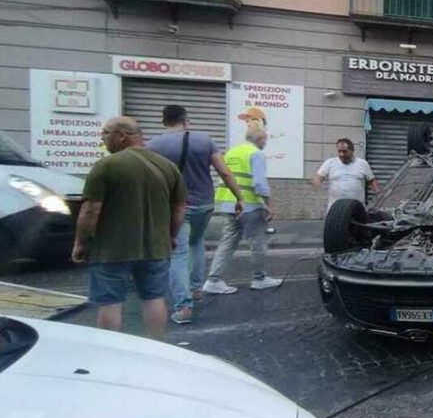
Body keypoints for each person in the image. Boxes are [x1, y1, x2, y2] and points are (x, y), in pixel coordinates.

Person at [72, 117, 185, 339]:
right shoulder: (168, 167)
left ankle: (111, 349)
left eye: (105, 133)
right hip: (156, 247)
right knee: (154, 298)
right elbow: (179, 208)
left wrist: (80, 242)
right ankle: (155, 345)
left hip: (112, 249)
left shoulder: (106, 166)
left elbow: (91, 209)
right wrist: (171, 236)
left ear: (122, 135)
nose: (103, 138)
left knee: (110, 302)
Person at [147, 105, 244, 325]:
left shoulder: (154, 145)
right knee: (197, 242)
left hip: (175, 207)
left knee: (177, 253)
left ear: (164, 121)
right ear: (185, 120)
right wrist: (239, 197)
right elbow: (224, 171)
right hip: (204, 204)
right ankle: (196, 288)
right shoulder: (205, 141)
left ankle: (183, 307)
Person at [202, 127, 282, 293]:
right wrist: (269, 205)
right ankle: (259, 279)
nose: (266, 143)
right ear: (259, 139)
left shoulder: (232, 152)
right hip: (250, 205)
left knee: (228, 242)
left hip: (229, 204)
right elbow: (259, 184)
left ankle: (213, 280)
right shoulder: (256, 154)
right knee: (257, 242)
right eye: (265, 140)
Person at [311, 138, 380, 210]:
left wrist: (378, 195)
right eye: (339, 151)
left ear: (352, 151)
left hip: (356, 208)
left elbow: (372, 181)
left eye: (344, 151)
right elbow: (318, 177)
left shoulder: (362, 164)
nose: (341, 154)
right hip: (335, 209)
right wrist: (317, 185)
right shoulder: (330, 163)